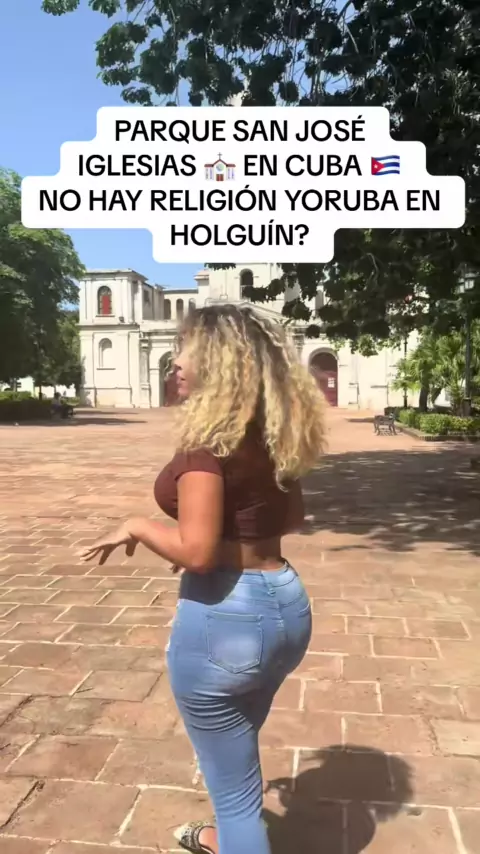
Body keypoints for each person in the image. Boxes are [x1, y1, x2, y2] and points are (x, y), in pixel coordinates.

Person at [81, 304, 326, 854]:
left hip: (227, 620)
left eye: (185, 349)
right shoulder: (273, 433)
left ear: (218, 360)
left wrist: (138, 526)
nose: (176, 362)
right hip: (287, 604)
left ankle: (236, 838)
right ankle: (223, 836)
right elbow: (291, 519)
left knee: (237, 799)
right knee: (236, 751)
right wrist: (216, 542)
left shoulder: (205, 444)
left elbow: (194, 553)